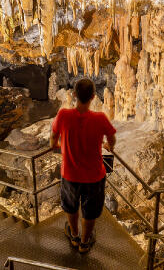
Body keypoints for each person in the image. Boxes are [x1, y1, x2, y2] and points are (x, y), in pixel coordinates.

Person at [50, 78, 116, 254]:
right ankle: (85, 242)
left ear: (73, 94)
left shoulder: (63, 115)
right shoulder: (100, 118)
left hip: (70, 174)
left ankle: (74, 235)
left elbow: (52, 140)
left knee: (71, 206)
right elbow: (111, 138)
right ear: (93, 97)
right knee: (90, 210)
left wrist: (59, 146)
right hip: (94, 176)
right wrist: (108, 146)